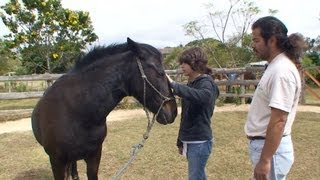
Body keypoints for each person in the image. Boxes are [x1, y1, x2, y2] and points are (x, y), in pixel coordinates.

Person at [244, 16, 305, 180]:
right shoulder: (275, 66)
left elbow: (279, 121)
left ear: (271, 40)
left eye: (256, 40)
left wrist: (265, 160)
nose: (253, 45)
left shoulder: (281, 71)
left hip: (271, 151)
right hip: (268, 148)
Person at [166, 47, 220, 180]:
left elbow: (204, 97)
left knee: (195, 177)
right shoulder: (191, 84)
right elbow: (186, 116)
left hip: (200, 142)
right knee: (198, 176)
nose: (182, 66)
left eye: (185, 62)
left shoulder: (206, 83)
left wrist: (174, 85)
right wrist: (181, 141)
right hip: (191, 140)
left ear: (195, 63)